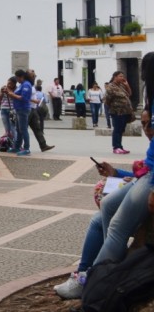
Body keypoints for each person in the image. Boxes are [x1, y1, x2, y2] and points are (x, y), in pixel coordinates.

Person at [56, 52, 154, 297]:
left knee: (118, 226)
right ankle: (93, 271)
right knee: (106, 208)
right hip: (147, 174)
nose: (146, 129)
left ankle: (96, 285)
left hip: (151, 178)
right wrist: (118, 173)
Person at [104, 70, 134, 155]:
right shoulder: (111, 87)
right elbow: (107, 100)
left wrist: (127, 85)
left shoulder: (121, 85)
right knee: (117, 129)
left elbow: (129, 94)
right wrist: (114, 107)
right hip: (117, 111)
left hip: (125, 111)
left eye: (123, 76)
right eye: (120, 76)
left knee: (121, 129)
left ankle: (120, 146)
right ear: (115, 77)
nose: (122, 78)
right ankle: (116, 147)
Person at [7, 69, 33, 156]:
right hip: (18, 109)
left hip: (23, 109)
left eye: (17, 77)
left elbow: (24, 98)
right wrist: (10, 93)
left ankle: (27, 148)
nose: (16, 80)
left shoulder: (26, 85)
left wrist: (12, 94)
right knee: (19, 129)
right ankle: (17, 147)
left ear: (21, 77)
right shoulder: (22, 85)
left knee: (23, 129)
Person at [0, 76, 17, 147]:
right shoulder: (3, 88)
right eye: (8, 83)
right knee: (7, 130)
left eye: (11, 84)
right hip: (3, 109)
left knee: (13, 128)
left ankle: (16, 145)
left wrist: (8, 93)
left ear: (14, 84)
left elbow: (15, 98)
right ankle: (8, 144)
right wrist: (2, 93)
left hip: (12, 110)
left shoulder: (16, 89)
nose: (9, 85)